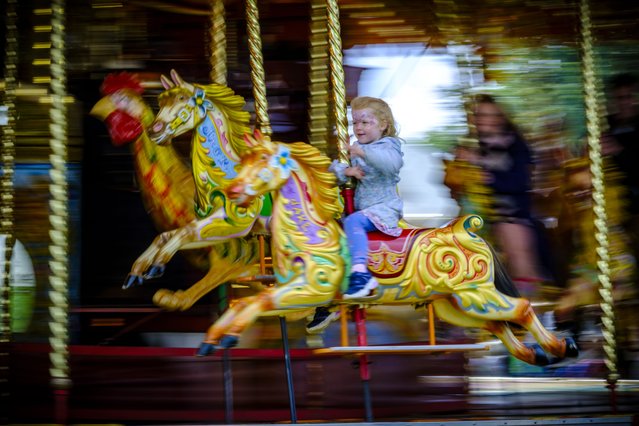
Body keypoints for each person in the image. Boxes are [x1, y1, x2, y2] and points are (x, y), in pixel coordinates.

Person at [306, 96, 404, 332]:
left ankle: (360, 274)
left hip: (383, 208)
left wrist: (362, 152)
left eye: (365, 122)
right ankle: (328, 298)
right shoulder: (356, 148)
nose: (358, 127)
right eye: (355, 123)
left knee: (354, 222)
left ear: (383, 124)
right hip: (364, 209)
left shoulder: (388, 145)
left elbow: (391, 164)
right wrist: (346, 169)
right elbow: (332, 170)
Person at [451, 94, 545, 298]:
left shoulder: (514, 145)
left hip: (510, 213)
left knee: (518, 259)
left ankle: (529, 311)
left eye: (490, 115)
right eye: (479, 115)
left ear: (500, 118)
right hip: (481, 216)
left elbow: (520, 182)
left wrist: (484, 172)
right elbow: (455, 187)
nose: (484, 119)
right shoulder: (474, 145)